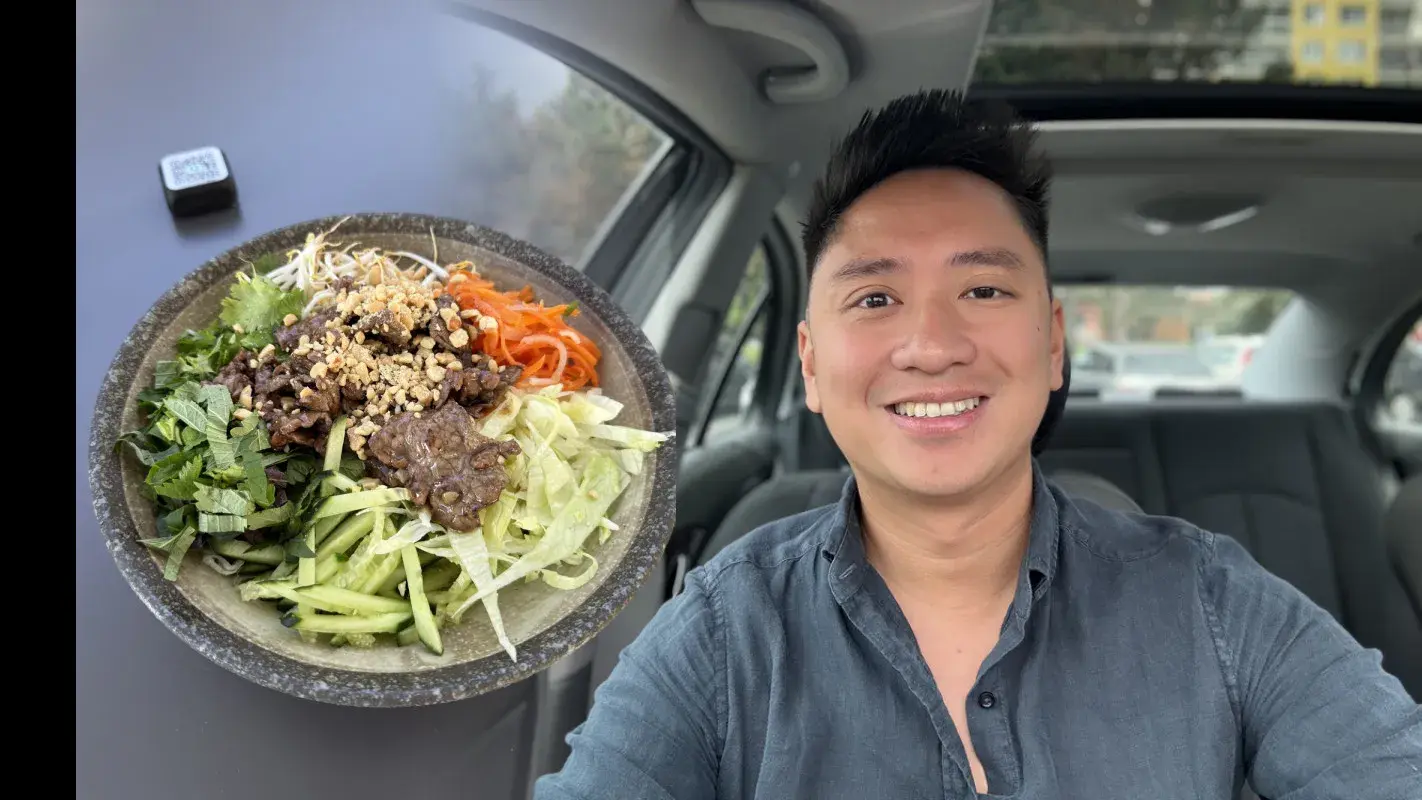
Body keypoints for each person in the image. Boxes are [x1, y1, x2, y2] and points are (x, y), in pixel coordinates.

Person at [535, 89, 1421, 799]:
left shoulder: (1215, 604)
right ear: (809, 365)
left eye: (985, 291)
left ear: (1053, 344)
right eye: (875, 299)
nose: (931, 346)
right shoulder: (722, 629)